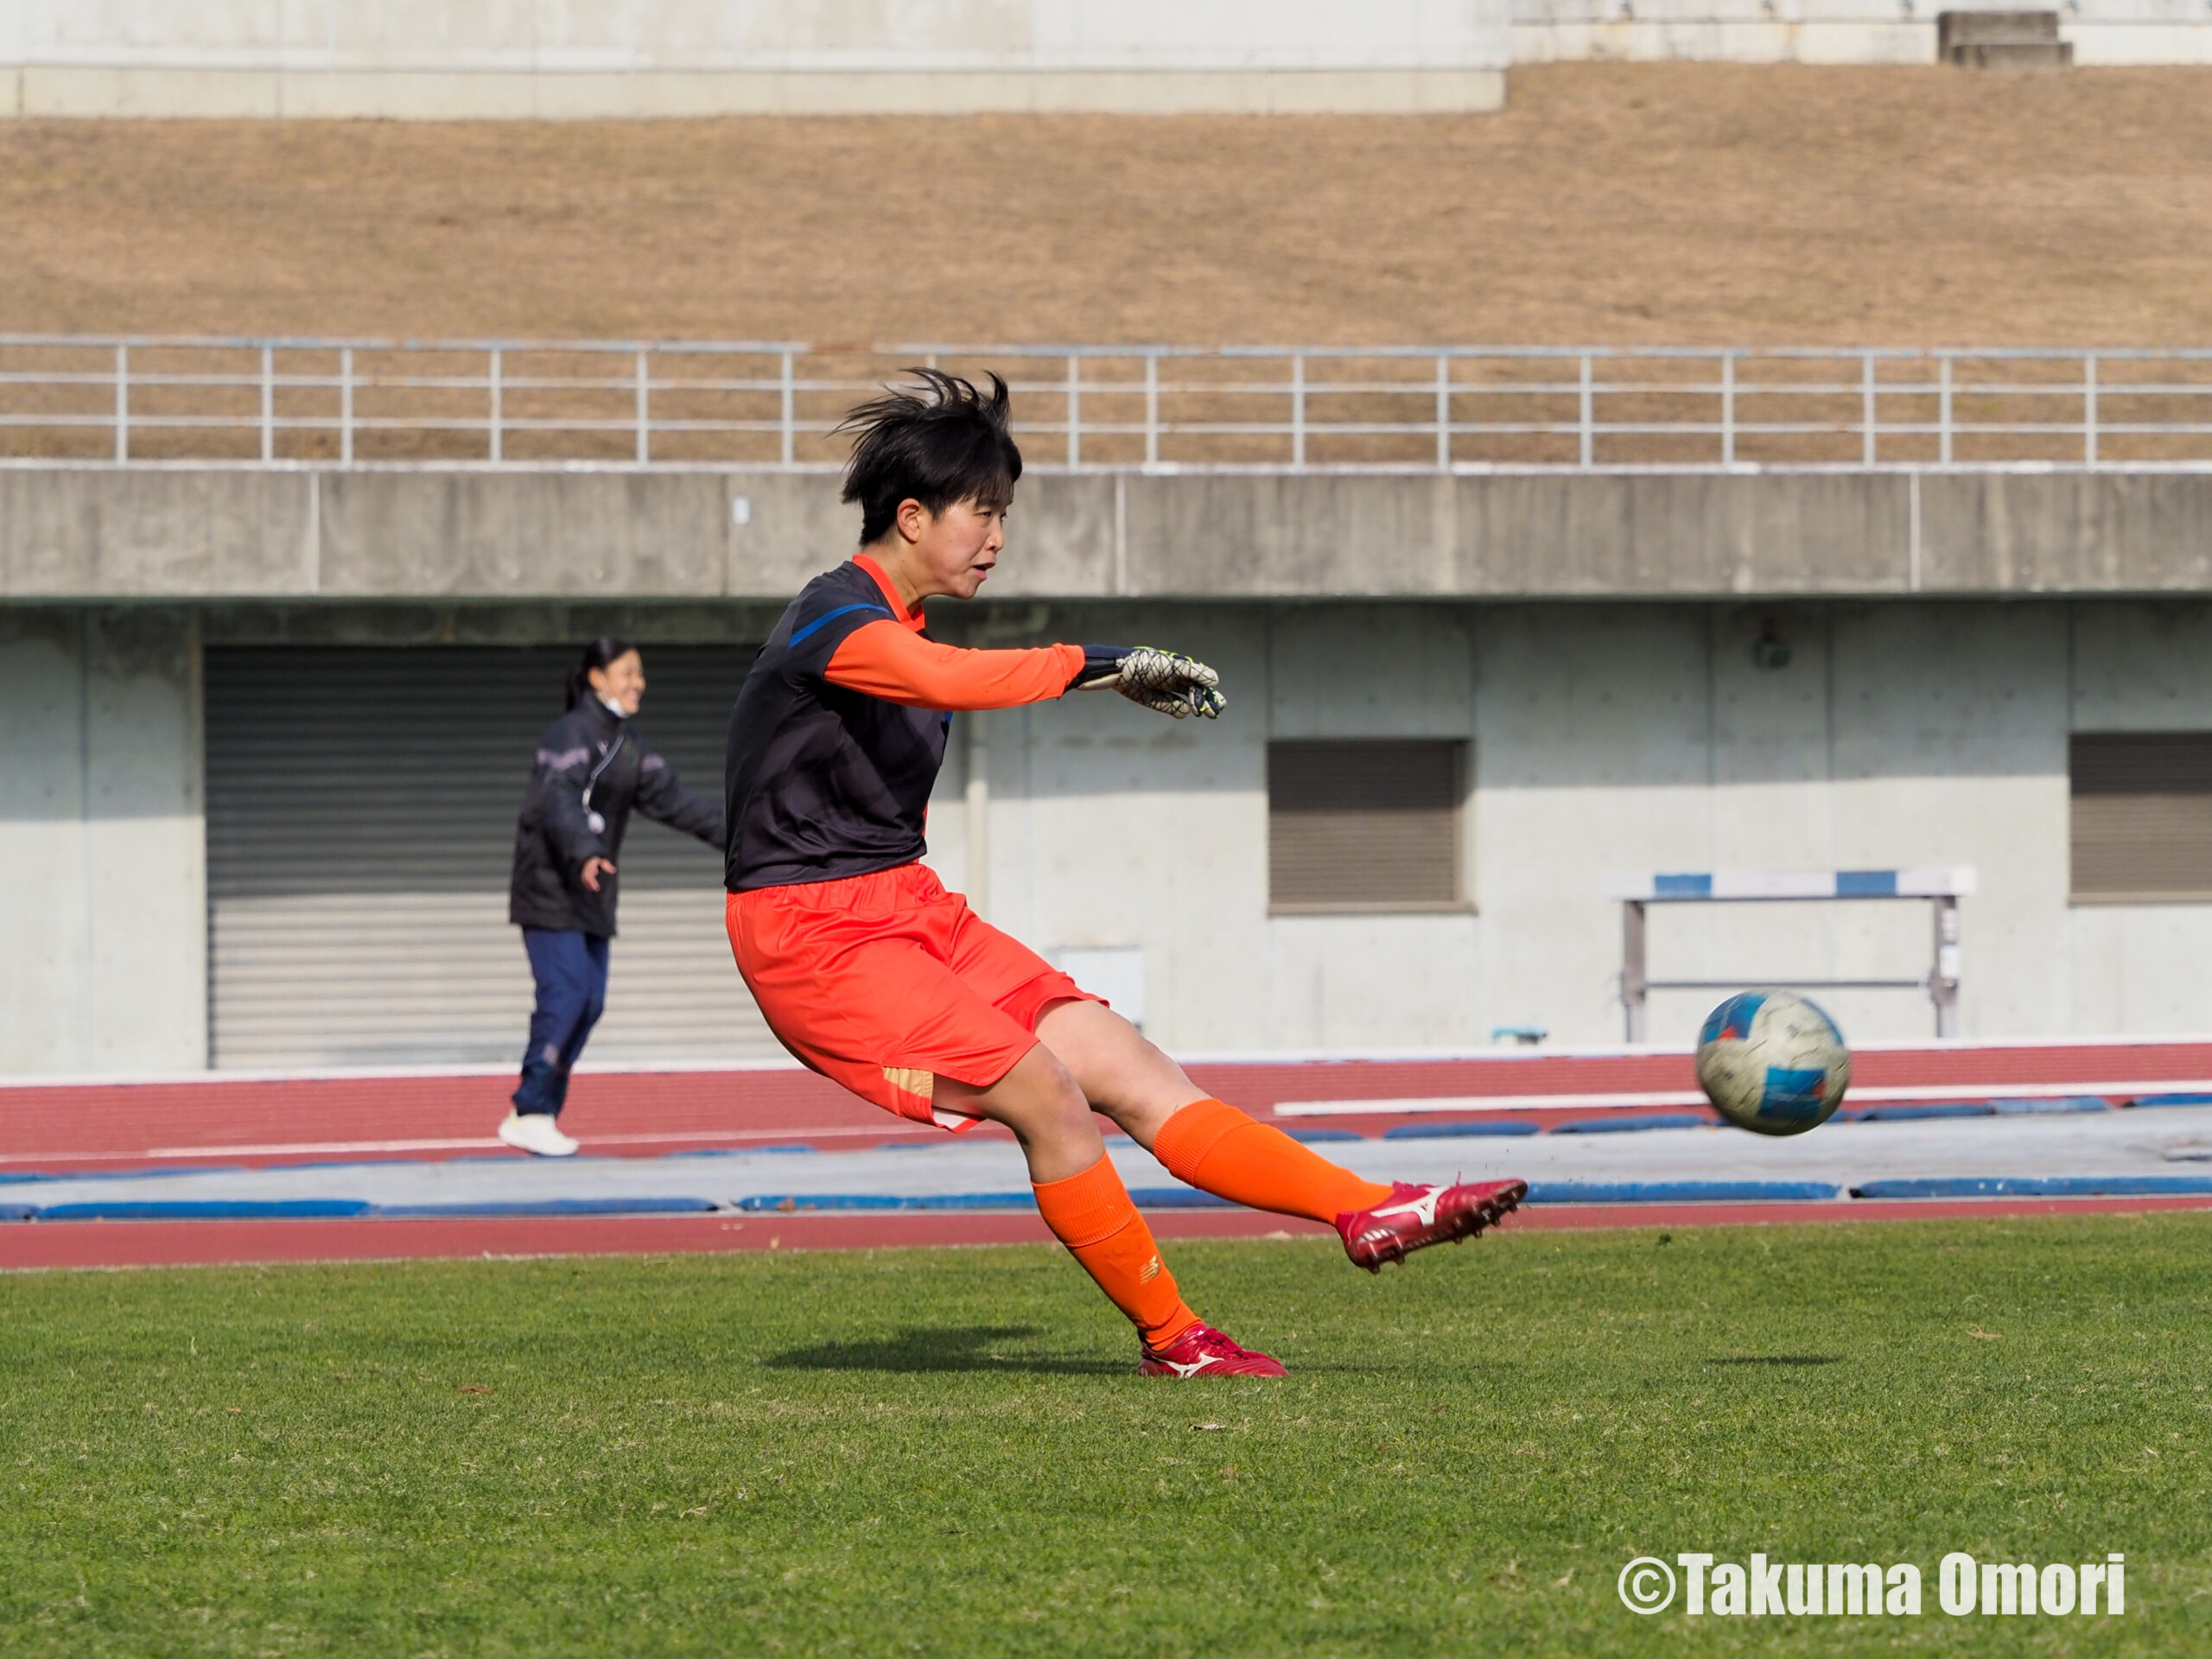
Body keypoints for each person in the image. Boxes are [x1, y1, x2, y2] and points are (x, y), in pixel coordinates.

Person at [722, 372, 1525, 1376]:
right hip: (811, 935)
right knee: (1048, 1097)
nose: (998, 538)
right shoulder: (830, 617)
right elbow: (946, 681)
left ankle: (1368, 1209)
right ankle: (1175, 1340)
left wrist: (1098, 667)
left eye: (1004, 515)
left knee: (1130, 1068)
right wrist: (1098, 662)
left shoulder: (904, 626)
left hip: (908, 905)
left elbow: (927, 687)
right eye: (982, 514)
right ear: (913, 516)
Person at [502, 638, 727, 1157]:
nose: (638, 684)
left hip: (593, 894)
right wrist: (584, 850)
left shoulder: (628, 745)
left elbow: (676, 802)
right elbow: (557, 798)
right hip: (550, 888)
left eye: (641, 674)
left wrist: (745, 836)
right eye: (627, 673)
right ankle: (530, 1109)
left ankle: (538, 1112)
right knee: (565, 995)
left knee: (590, 1002)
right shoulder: (570, 735)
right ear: (597, 678)